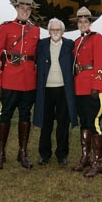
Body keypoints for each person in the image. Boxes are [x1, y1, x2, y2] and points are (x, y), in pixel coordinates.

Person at [0, 0, 40, 170]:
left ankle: (22, 152)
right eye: (22, 7)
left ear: (31, 11)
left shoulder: (35, 30)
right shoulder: (5, 27)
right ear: (17, 8)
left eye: (28, 9)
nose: (25, 11)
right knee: (5, 115)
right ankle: (1, 153)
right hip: (10, 79)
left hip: (29, 81)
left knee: (25, 116)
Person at [33, 18, 78, 166]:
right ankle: (44, 154)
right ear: (49, 31)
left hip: (63, 90)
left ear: (63, 31)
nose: (55, 32)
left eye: (58, 29)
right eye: (52, 29)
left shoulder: (70, 45)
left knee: (63, 124)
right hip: (46, 90)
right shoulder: (41, 45)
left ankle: (62, 154)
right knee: (46, 124)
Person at [71, 6, 102, 178]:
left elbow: (101, 64)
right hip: (79, 88)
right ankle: (85, 158)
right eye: (80, 21)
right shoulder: (77, 43)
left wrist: (97, 85)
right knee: (84, 122)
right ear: (77, 23)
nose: (82, 24)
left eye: (85, 21)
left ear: (90, 22)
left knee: (94, 124)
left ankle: (98, 163)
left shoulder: (97, 38)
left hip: (92, 88)